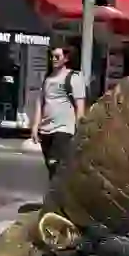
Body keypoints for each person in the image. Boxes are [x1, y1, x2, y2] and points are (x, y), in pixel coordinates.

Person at [30, 46, 85, 179]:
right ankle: (57, 193)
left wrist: (80, 130)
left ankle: (59, 195)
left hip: (64, 129)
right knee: (52, 167)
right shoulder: (47, 79)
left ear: (66, 59)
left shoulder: (74, 77)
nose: (53, 59)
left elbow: (80, 106)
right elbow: (40, 103)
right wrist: (35, 126)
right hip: (46, 129)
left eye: (57, 57)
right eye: (52, 56)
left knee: (56, 163)